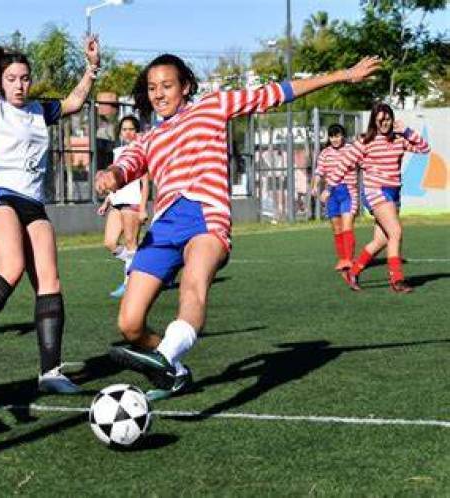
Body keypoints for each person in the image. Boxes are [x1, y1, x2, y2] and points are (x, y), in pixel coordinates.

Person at [95, 54, 381, 400]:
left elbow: (278, 92)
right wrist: (111, 175)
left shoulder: (212, 106)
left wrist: (341, 74)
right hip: (165, 225)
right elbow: (128, 164)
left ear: (185, 86)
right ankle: (173, 369)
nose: (159, 94)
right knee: (129, 324)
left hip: (207, 217)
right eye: (152, 88)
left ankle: (166, 355)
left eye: (167, 86)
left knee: (192, 284)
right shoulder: (148, 138)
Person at [0, 19, 101, 393]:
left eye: (24, 78)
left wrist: (92, 67)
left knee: (50, 279)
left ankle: (50, 372)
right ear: (0, 81)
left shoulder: (39, 111)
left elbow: (75, 101)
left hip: (32, 203)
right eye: (12, 78)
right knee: (11, 266)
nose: (19, 84)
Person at [337, 102, 430, 293]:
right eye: (380, 120)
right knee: (395, 232)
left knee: (381, 240)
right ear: (374, 121)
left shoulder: (399, 139)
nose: (385, 123)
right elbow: (345, 163)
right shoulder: (365, 141)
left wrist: (406, 131)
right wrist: (329, 187)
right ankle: (397, 280)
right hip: (375, 190)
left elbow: (424, 148)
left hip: (394, 192)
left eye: (387, 119)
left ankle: (353, 272)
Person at [97, 115, 149, 298]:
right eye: (124, 129)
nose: (128, 132)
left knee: (130, 243)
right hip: (117, 203)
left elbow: (145, 183)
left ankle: (129, 284)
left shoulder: (139, 150)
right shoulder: (118, 151)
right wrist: (106, 201)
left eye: (131, 129)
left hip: (132, 203)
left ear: (137, 131)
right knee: (109, 242)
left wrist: (143, 208)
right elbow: (114, 182)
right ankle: (142, 264)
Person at [310, 123, 358, 276]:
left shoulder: (351, 150)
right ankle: (342, 259)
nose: (335, 139)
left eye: (338, 135)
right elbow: (319, 172)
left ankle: (349, 259)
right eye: (332, 136)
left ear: (343, 135)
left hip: (348, 191)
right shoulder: (325, 153)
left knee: (347, 226)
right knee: (336, 228)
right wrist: (314, 186)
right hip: (331, 195)